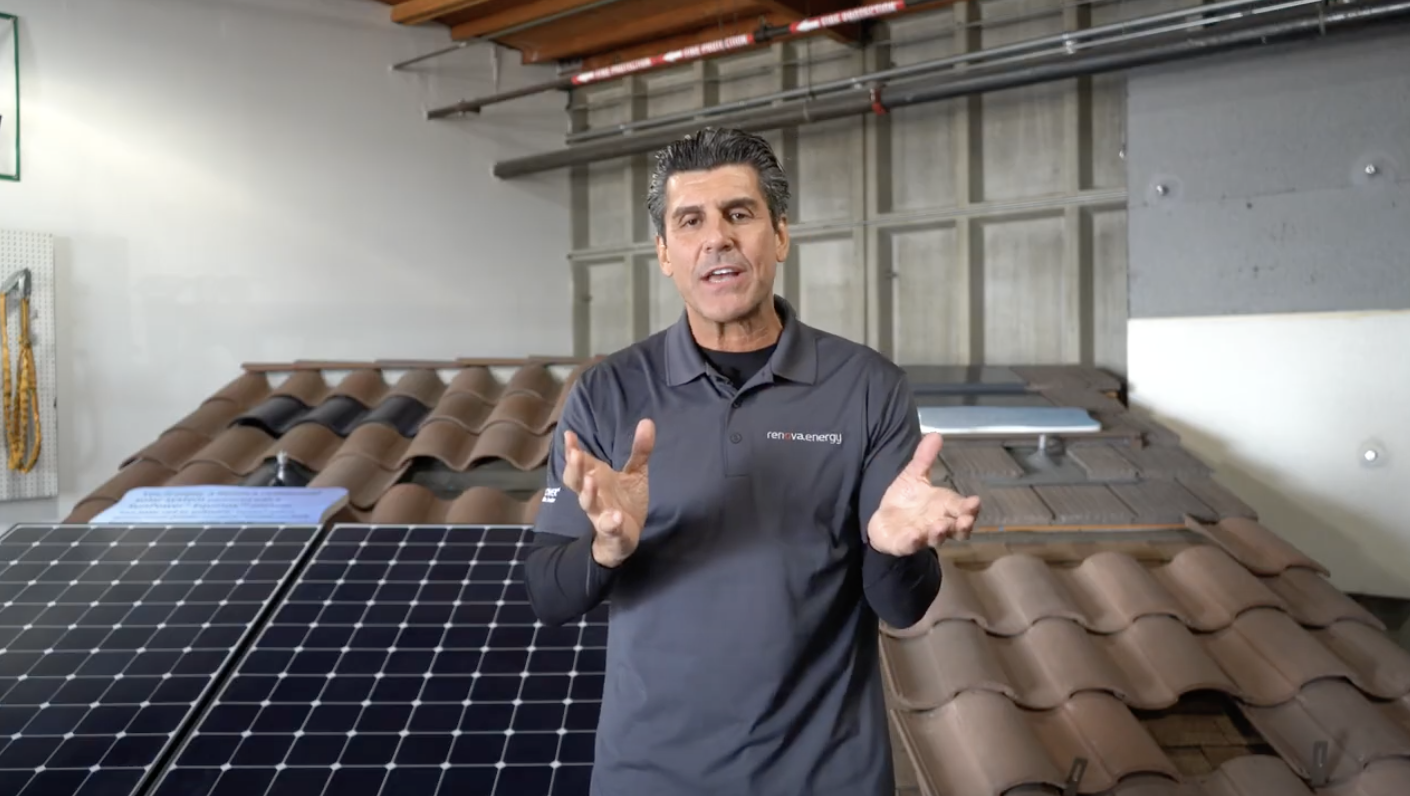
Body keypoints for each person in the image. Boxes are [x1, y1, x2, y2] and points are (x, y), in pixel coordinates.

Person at [521, 126, 982, 796]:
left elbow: (903, 606)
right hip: (651, 777)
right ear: (665, 253)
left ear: (780, 235)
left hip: (827, 776)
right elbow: (547, 592)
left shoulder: (866, 387)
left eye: (740, 213)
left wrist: (891, 547)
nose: (717, 238)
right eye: (691, 221)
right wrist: (607, 550)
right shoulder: (608, 394)